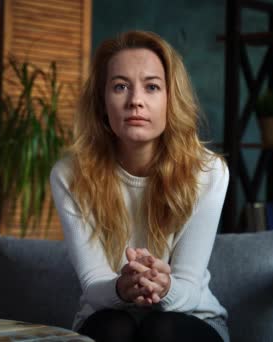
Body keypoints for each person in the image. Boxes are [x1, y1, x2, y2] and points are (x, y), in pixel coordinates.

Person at [50, 30, 230, 342]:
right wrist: (122, 287)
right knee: (114, 328)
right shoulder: (70, 175)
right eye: (120, 86)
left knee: (161, 329)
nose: (135, 101)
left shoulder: (208, 172)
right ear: (103, 102)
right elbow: (94, 283)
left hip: (190, 317)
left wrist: (165, 286)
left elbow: (187, 284)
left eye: (152, 87)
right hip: (106, 317)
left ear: (170, 99)